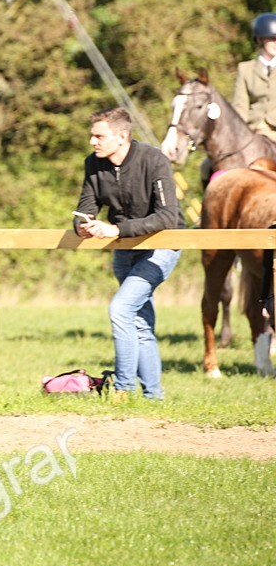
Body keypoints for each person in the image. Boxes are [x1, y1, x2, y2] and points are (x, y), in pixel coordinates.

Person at [73, 107, 182, 402]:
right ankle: (154, 397)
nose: (93, 142)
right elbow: (86, 206)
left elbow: (168, 217)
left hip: (161, 245)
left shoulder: (154, 159)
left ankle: (123, 389)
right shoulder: (93, 164)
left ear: (122, 137)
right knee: (139, 321)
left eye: (99, 136)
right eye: (92, 136)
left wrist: (116, 230)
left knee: (120, 310)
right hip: (123, 248)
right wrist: (82, 224)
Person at [230, 13, 276, 138]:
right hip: (252, 131)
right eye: (272, 39)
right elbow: (240, 105)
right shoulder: (245, 69)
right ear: (260, 40)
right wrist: (238, 130)